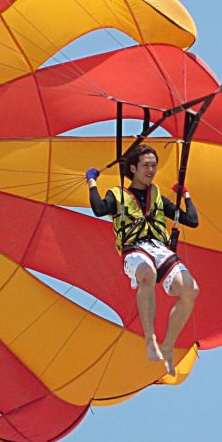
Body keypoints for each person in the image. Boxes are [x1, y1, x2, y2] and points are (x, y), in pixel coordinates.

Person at [85, 145, 199, 376]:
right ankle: (150, 339)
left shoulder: (157, 196)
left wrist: (185, 194)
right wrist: (92, 182)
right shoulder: (117, 195)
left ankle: (167, 345)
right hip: (134, 249)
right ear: (134, 168)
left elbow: (191, 220)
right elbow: (98, 209)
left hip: (160, 249)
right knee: (147, 274)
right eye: (146, 165)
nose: (151, 170)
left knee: (190, 290)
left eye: (154, 165)